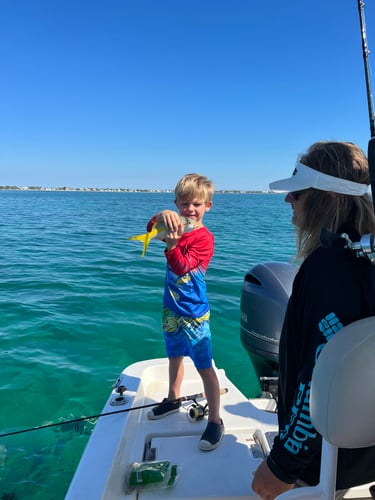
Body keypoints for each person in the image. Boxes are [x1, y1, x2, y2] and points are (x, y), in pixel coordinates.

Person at [251, 141, 375, 499]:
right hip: (365, 455)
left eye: (298, 194)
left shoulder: (329, 268)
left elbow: (317, 379)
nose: (288, 200)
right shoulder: (365, 258)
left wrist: (281, 466)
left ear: (327, 198)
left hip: (327, 463)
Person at [147, 173, 224, 452]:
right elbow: (150, 227)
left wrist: (172, 244)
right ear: (177, 204)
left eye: (196, 204)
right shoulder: (175, 223)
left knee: (205, 367)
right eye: (183, 204)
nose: (189, 210)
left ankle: (215, 420)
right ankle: (172, 398)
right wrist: (161, 215)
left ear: (208, 206)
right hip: (171, 308)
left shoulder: (204, 239)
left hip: (193, 313)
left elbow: (181, 267)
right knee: (173, 356)